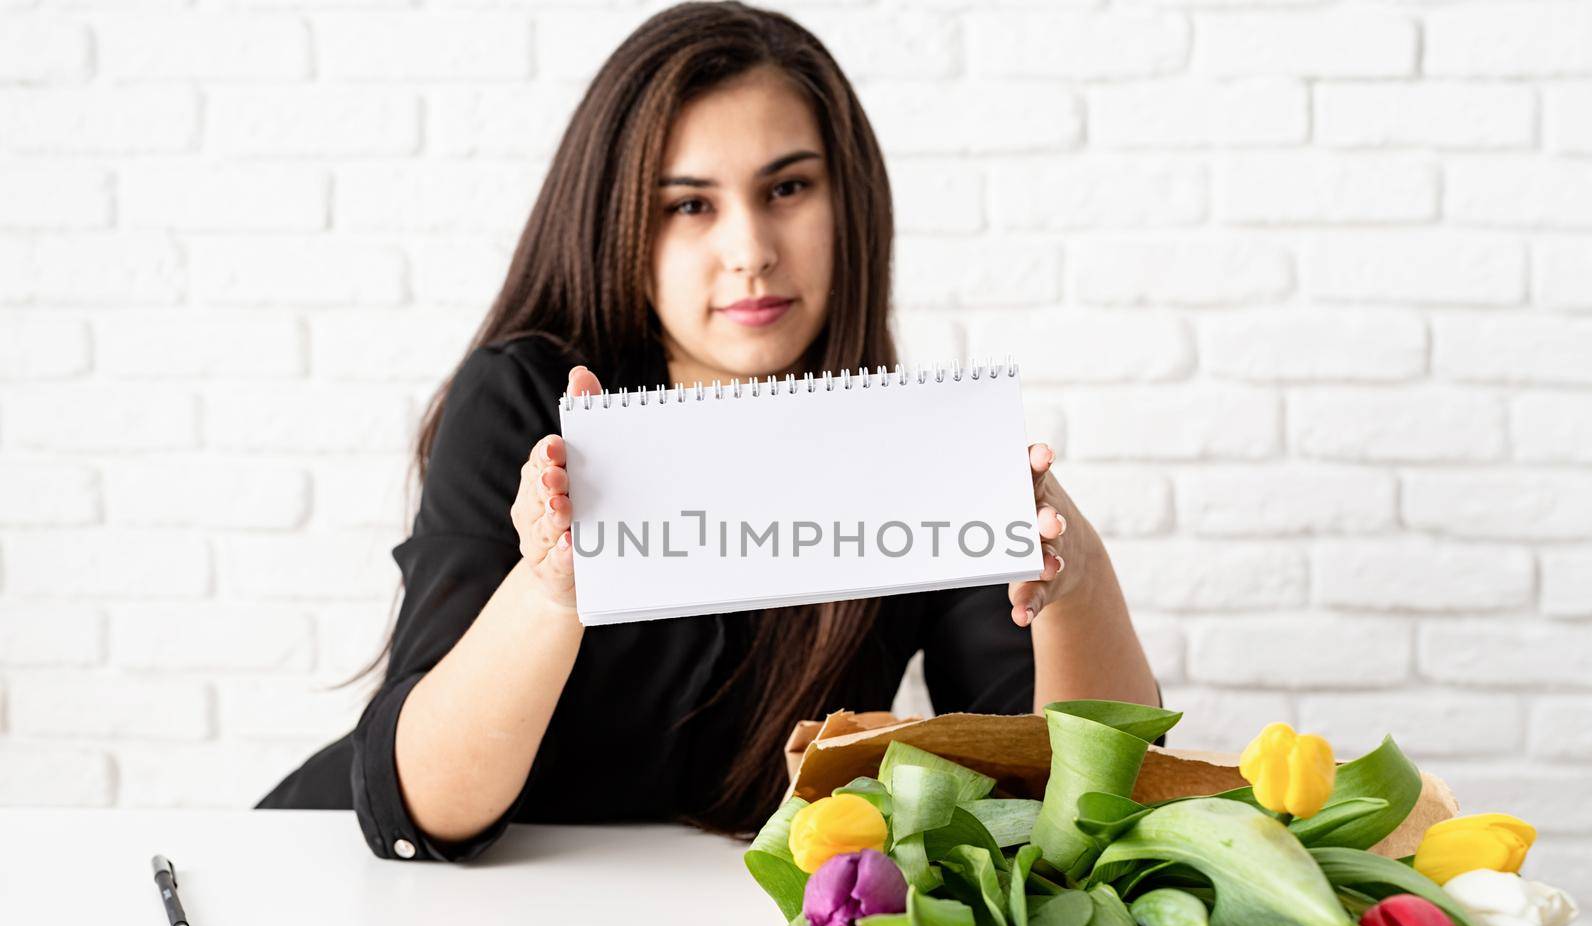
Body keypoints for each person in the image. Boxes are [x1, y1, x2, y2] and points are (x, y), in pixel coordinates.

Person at [255, 0, 1162, 863]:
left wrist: (1075, 585)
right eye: (690, 205)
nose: (750, 249)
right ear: (620, 223)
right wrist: (551, 591)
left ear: (848, 202)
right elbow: (425, 808)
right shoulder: (526, 399)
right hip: (340, 891)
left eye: (789, 188)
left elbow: (1072, 802)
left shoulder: (907, 441)